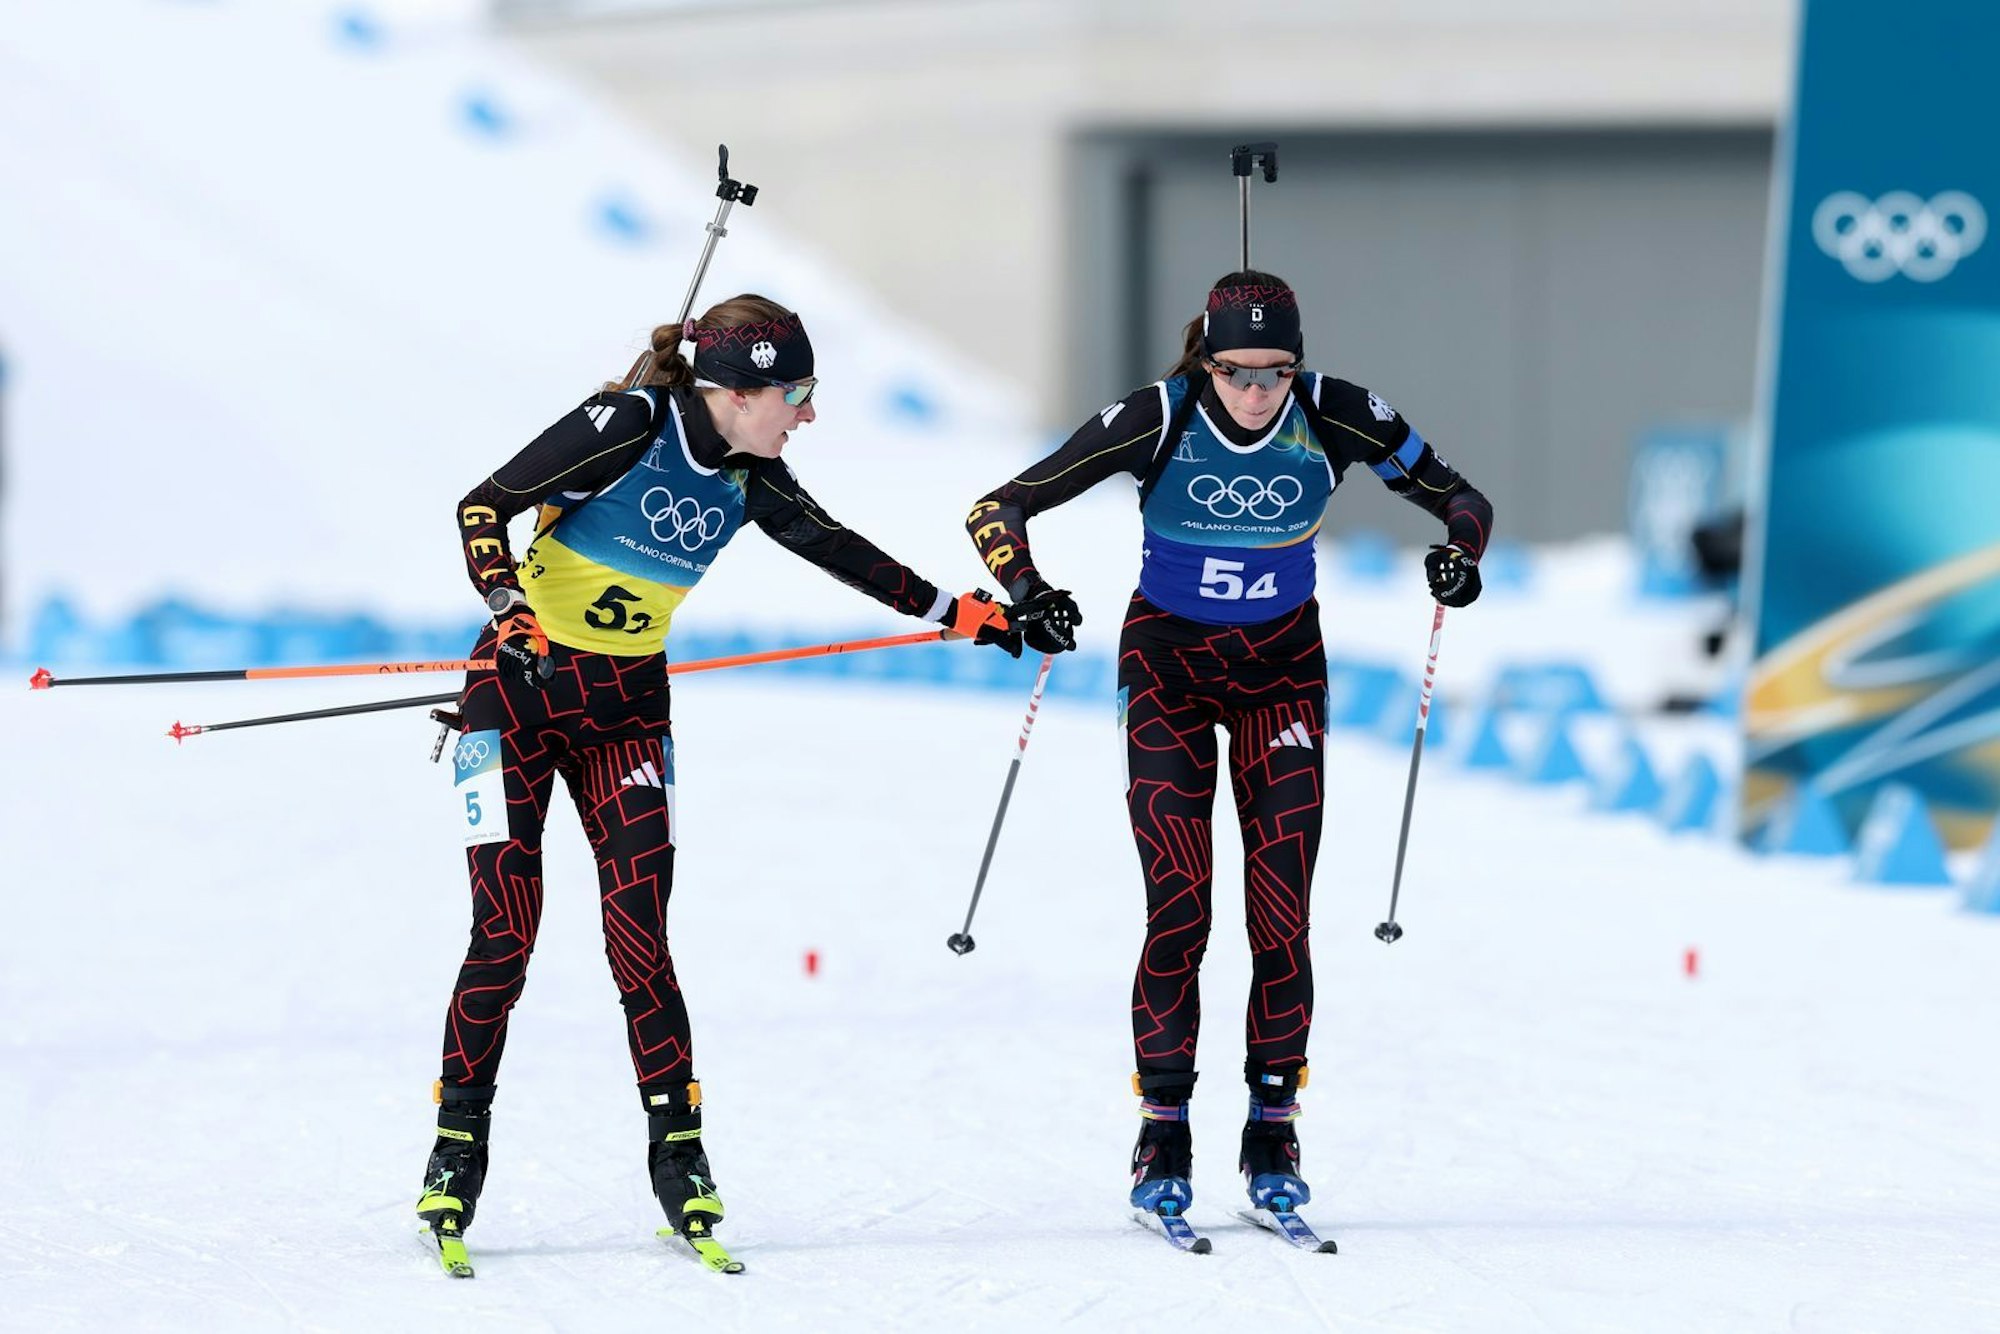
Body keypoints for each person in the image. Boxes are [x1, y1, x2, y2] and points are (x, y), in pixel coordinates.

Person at [418, 294, 1023, 1263]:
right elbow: (480, 506)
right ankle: (456, 1145)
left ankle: (679, 1153)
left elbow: (844, 552)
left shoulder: (752, 477)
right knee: (504, 932)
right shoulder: (625, 424)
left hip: (626, 716)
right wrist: (510, 606)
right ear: (738, 391)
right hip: (512, 700)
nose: (807, 414)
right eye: (799, 393)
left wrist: (966, 612)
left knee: (639, 936)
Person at [965, 271, 1492, 1221]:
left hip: (1282, 673)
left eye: (1276, 372)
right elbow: (998, 507)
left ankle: (1272, 1130)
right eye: (1237, 373)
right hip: (1167, 667)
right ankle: (1162, 1128)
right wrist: (1031, 590)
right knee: (1181, 907)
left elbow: (1462, 496)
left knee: (1280, 913)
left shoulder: (1336, 412)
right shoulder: (1156, 416)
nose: (1257, 393)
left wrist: (1460, 557)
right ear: (1205, 360)